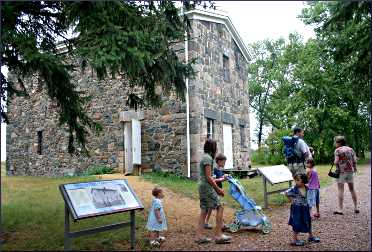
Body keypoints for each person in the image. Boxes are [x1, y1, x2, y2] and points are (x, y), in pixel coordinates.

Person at [196, 139, 231, 244]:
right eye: (215, 146)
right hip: (206, 187)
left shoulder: (205, 157)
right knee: (220, 206)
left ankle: (199, 236)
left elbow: (208, 177)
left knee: (204, 210)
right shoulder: (208, 158)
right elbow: (209, 177)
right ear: (213, 148)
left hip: (202, 186)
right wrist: (218, 189)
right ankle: (218, 235)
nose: (216, 149)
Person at [285, 174, 321, 246]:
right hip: (297, 208)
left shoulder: (307, 188)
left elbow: (310, 198)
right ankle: (294, 239)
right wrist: (291, 200)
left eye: (298, 180)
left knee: (308, 220)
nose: (296, 182)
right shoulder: (294, 189)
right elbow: (286, 193)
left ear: (303, 181)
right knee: (296, 222)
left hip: (305, 208)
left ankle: (310, 236)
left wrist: (310, 208)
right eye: (295, 180)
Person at [333, 135, 359, 215]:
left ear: (339, 142)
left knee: (341, 190)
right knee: (352, 189)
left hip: (341, 172)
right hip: (350, 171)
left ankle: (340, 209)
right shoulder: (350, 149)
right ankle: (356, 207)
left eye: (335, 142)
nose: (334, 143)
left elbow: (336, 162)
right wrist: (355, 168)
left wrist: (334, 162)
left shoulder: (337, 150)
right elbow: (355, 160)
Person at [204, 153, 229, 230]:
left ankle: (206, 222)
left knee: (211, 207)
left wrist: (225, 176)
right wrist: (222, 179)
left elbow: (220, 177)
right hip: (214, 190)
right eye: (223, 162)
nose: (224, 163)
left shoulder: (219, 170)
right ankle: (221, 225)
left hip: (217, 190)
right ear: (219, 161)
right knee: (219, 206)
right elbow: (213, 179)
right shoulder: (214, 170)